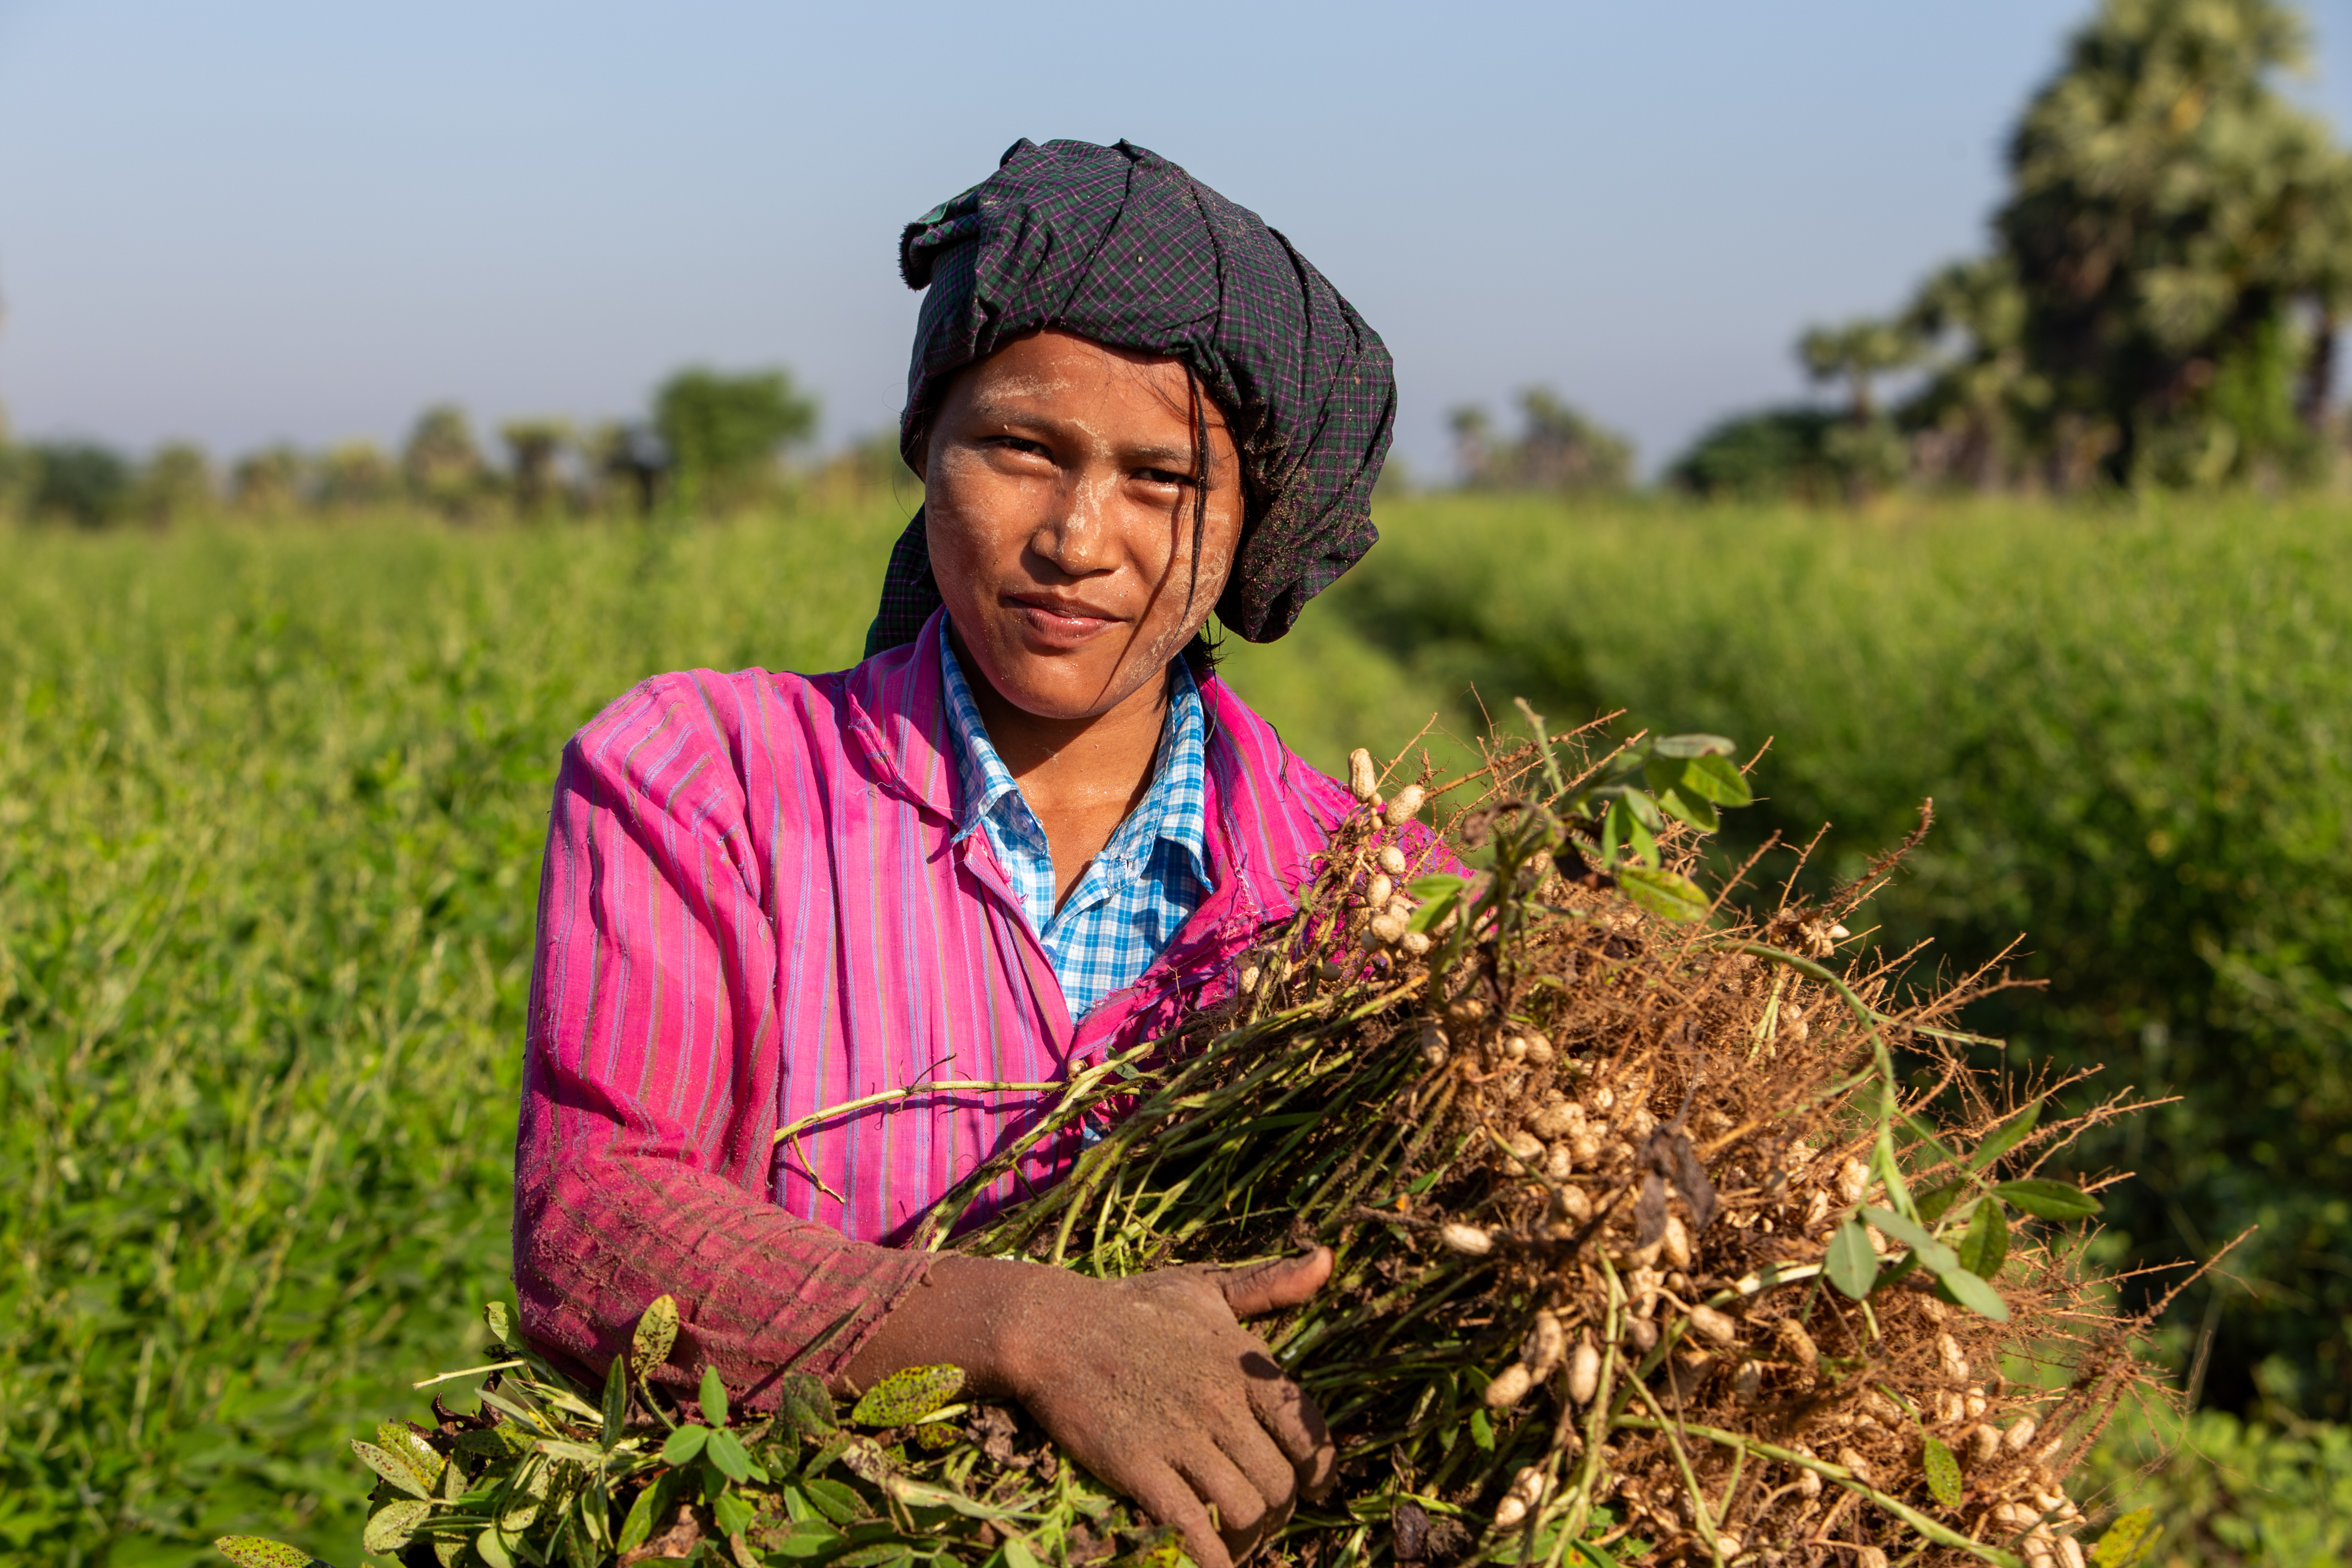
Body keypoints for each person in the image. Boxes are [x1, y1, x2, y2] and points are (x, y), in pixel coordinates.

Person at [514, 138, 1398, 1568]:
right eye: (1020, 446)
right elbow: (597, 1225)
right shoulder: (701, 779)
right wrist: (1021, 1327)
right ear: (925, 447)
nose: (1075, 536)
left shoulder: (1368, 896)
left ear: (1247, 526)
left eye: (1163, 478)